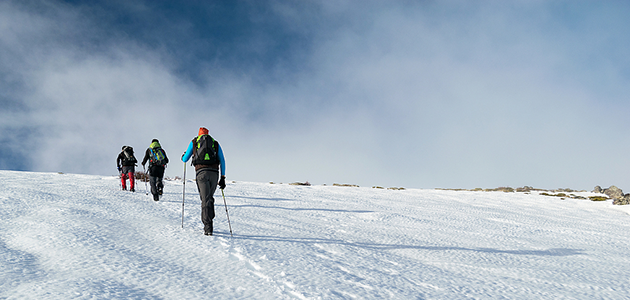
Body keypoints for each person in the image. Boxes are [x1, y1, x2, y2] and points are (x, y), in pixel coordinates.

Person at [182, 127, 226, 236]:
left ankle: (208, 227)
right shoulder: (215, 144)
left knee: (205, 199)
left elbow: (185, 159)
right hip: (214, 173)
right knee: (209, 198)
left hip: (201, 173)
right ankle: (209, 219)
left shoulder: (194, 142)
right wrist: (223, 177)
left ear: (199, 134)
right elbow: (222, 160)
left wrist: (183, 156)